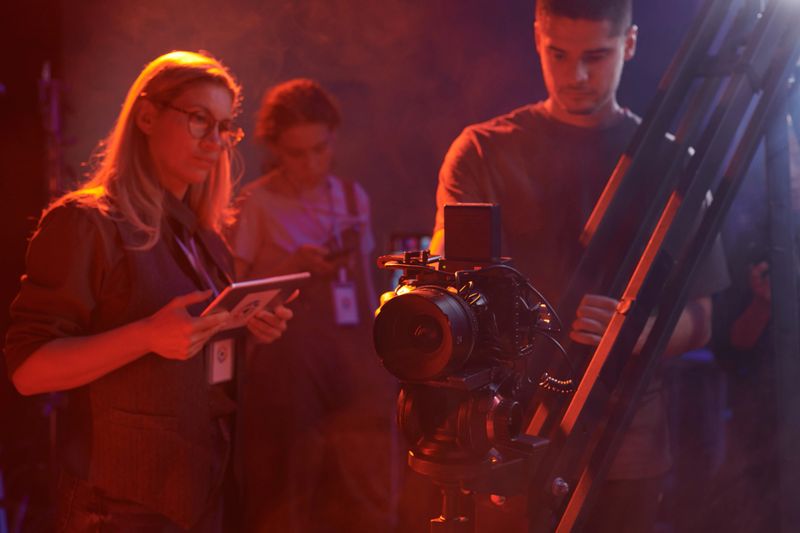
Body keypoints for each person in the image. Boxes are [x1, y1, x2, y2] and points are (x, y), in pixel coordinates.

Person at [430, 1, 729, 531]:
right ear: (537, 39)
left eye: (596, 55)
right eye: (559, 55)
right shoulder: (482, 151)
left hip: (624, 442)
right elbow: (448, 301)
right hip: (508, 433)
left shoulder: (672, 165)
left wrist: (637, 332)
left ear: (630, 44)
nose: (577, 75)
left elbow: (702, 317)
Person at [4, 51, 293, 532]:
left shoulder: (205, 237)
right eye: (200, 120)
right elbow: (28, 372)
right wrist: (145, 336)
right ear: (146, 115)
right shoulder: (86, 223)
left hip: (205, 492)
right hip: (120, 508)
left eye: (224, 128)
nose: (215, 142)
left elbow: (197, 359)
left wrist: (245, 325)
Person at [228, 78, 397, 533]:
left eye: (319, 150)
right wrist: (290, 266)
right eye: (296, 154)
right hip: (283, 359)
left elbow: (362, 287)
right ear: (275, 149)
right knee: (287, 485)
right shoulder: (258, 203)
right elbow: (231, 294)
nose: (310, 164)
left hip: (344, 350)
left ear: (333, 140)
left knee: (360, 475)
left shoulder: (350, 197)